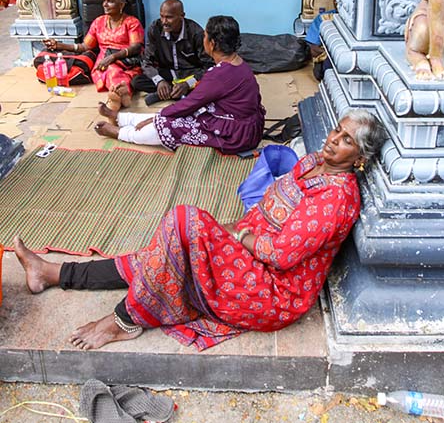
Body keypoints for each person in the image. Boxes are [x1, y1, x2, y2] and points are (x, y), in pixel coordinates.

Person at [13, 109, 387, 351]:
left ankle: (124, 320)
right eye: (337, 131)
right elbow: (264, 210)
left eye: (346, 141)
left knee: (183, 221)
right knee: (167, 250)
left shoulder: (336, 199)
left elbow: (281, 255)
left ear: (361, 159)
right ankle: (52, 272)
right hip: (252, 255)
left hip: (273, 289)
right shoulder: (311, 163)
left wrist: (237, 237)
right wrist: (232, 231)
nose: (333, 140)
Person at [96, 15, 265, 153]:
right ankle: (119, 117)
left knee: (167, 124)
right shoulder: (239, 63)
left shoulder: (219, 74)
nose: (203, 38)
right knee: (177, 113)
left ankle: (122, 133)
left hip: (236, 136)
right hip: (243, 126)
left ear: (212, 44)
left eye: (206, 36)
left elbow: (189, 104)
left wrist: (159, 117)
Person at [43, 0, 144, 109]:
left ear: (121, 4)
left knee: (114, 70)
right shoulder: (98, 22)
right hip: (102, 64)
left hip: (126, 62)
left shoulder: (131, 22)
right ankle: (121, 96)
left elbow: (136, 47)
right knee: (111, 70)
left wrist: (113, 57)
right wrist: (59, 45)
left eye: (110, 1)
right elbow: (85, 46)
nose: (105, 4)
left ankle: (116, 100)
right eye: (104, 1)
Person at [131, 0, 212, 105]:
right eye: (162, 16)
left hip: (190, 74)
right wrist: (159, 81)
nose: (164, 21)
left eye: (169, 17)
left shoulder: (196, 32)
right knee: (137, 81)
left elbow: (208, 66)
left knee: (210, 84)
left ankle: (171, 92)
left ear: (182, 16)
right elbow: (146, 62)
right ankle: (176, 92)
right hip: (168, 74)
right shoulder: (155, 29)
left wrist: (187, 84)